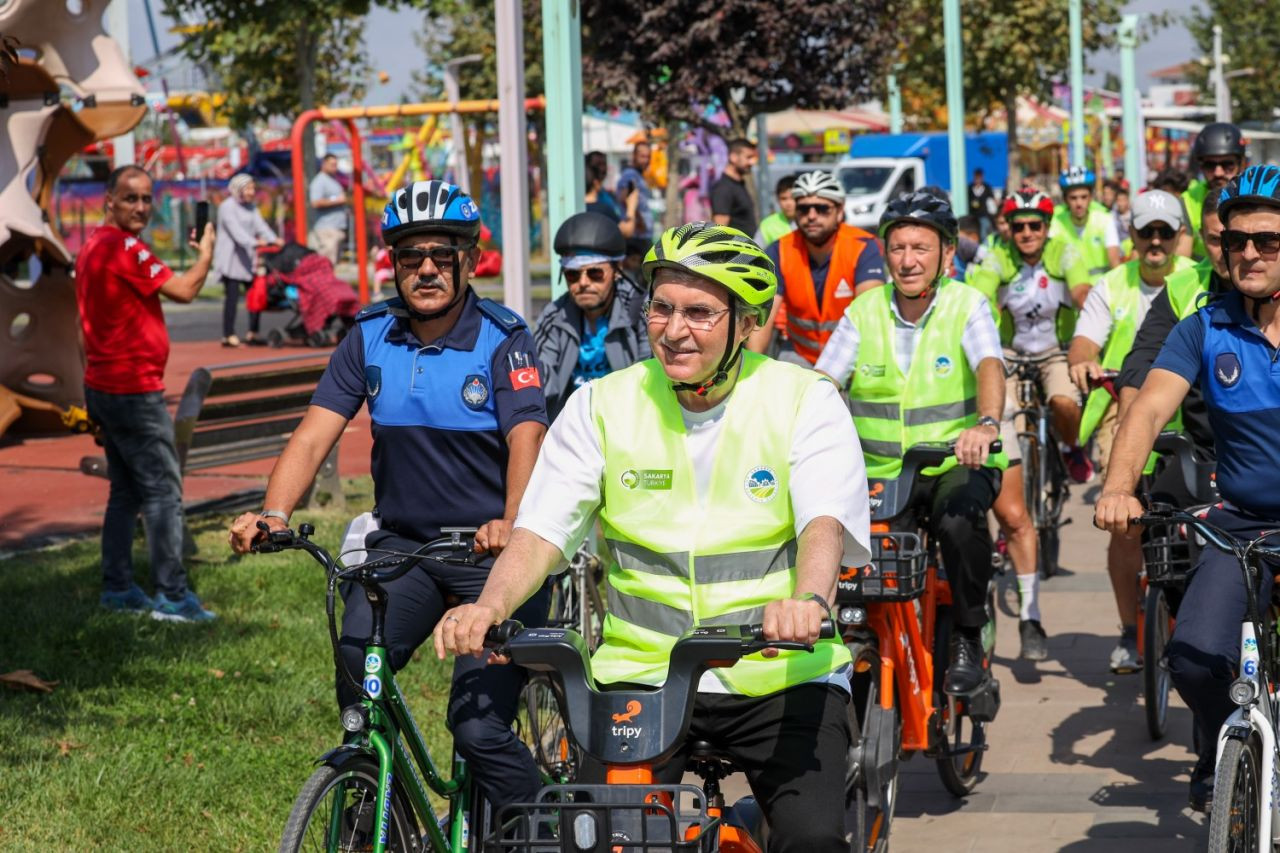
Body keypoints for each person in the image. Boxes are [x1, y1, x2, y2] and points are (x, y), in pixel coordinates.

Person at [434, 221, 870, 852]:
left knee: (811, 842)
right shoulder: (602, 405)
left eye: (699, 312)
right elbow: (540, 531)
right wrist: (490, 605)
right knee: (597, 843)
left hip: (779, 675)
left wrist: (808, 602)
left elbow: (823, 522)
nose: (673, 329)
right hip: (642, 678)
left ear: (747, 322)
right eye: (660, 307)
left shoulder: (803, 400)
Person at [227, 179, 551, 812]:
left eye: (441, 254)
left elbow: (526, 438)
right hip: (404, 548)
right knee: (358, 677)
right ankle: (382, 808)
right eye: (409, 257)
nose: (425, 269)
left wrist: (513, 522)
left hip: (491, 555)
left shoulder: (503, 337)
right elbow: (316, 430)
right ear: (394, 266)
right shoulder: (370, 335)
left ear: (470, 260)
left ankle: (545, 826)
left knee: (479, 730)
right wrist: (273, 514)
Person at [1094, 165, 1280, 812]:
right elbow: (1146, 409)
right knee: (1193, 656)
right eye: (1237, 242)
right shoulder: (1204, 325)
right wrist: (1120, 488)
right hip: (1237, 524)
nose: (1249, 253)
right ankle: (1219, 742)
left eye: (1268, 241)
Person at [816, 190, 1007, 692]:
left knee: (960, 523)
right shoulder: (863, 311)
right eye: (897, 248)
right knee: (849, 552)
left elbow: (990, 363)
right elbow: (825, 380)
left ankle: (968, 633)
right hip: (878, 476)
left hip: (952, 466)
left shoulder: (968, 305)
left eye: (921, 248)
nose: (908, 260)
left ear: (947, 254)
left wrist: (985, 425)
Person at [77, 164, 218, 622]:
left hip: (102, 385)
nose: (140, 207)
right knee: (162, 493)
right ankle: (173, 597)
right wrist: (206, 255)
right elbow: (185, 289)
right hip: (134, 391)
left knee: (126, 492)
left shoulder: (92, 247)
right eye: (130, 198)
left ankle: (117, 588)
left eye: (146, 198)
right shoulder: (124, 247)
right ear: (110, 201)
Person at [964, 188, 1098, 659]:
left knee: (1063, 400)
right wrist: (983, 305)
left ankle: (1071, 447)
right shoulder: (996, 256)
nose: (1026, 234)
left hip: (1053, 353)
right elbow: (977, 295)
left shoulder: (1064, 250)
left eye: (1034, 225)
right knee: (1001, 421)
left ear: (1046, 227)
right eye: (1017, 225)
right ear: (1007, 228)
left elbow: (1081, 287)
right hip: (1009, 355)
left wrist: (1084, 303)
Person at [1067, 189, 1195, 673]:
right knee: (1124, 526)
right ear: (1133, 236)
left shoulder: (1195, 282)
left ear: (1181, 236)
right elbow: (1082, 343)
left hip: (1189, 419)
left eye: (1166, 231)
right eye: (1147, 232)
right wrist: (1082, 363)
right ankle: (1128, 630)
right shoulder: (1111, 285)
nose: (1156, 241)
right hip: (1121, 414)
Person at [1116, 190, 1231, 456]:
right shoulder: (1182, 286)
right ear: (1201, 236)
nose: (1227, 252)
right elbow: (1144, 354)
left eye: (1234, 240)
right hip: (1201, 449)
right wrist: (1130, 416)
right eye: (1215, 240)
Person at [748, 170, 884, 366]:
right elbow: (762, 319)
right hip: (800, 354)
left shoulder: (863, 246)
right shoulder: (780, 250)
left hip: (852, 355)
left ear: (839, 211)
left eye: (822, 208)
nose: (811, 216)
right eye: (803, 209)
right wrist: (753, 370)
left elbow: (870, 315)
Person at [534, 211, 650, 419]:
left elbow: (652, 380)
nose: (583, 283)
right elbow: (539, 383)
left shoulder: (641, 311)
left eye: (595, 273)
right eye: (573, 274)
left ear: (617, 270)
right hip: (570, 428)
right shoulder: (553, 317)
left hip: (628, 423)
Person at [213, 173, 281, 347]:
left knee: (255, 294)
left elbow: (261, 227)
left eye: (253, 188)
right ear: (238, 189)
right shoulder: (227, 207)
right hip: (231, 259)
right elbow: (237, 233)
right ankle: (228, 334)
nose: (252, 192)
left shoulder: (251, 208)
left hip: (248, 258)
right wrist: (256, 242)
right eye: (248, 188)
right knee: (232, 296)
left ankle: (253, 332)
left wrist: (275, 239)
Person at [1183, 121, 1245, 260]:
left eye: (1227, 164)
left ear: (1241, 162)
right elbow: (1183, 257)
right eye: (1210, 165)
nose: (1218, 172)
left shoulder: (1259, 194)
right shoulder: (1188, 200)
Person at [1049, 166, 1122, 277]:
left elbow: (1114, 261)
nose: (1079, 203)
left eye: (1084, 197)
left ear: (1091, 197)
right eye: (1073, 198)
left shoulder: (1104, 219)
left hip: (1100, 288)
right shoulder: (1055, 221)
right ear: (1065, 200)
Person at [710, 137, 759, 236]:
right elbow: (720, 230)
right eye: (748, 157)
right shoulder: (723, 188)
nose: (752, 163)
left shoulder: (738, 184)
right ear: (733, 157)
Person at [584, 151, 638, 239]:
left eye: (604, 164)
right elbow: (626, 231)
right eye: (597, 165)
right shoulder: (598, 206)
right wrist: (632, 206)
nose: (601, 168)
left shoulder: (607, 195)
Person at [308, 153, 348, 265]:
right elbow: (315, 202)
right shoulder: (319, 181)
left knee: (333, 263)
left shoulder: (333, 180)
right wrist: (338, 200)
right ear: (324, 164)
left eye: (336, 164)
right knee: (326, 264)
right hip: (326, 229)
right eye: (332, 164)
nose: (335, 167)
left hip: (336, 227)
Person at [616, 141, 653, 243]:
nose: (646, 160)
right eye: (642, 156)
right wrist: (639, 220)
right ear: (634, 156)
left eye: (648, 157)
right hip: (636, 236)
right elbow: (624, 197)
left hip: (642, 234)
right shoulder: (630, 174)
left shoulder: (638, 175)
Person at [756, 173, 798, 246]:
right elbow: (756, 252)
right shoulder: (767, 225)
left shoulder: (809, 222)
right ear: (777, 199)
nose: (788, 203)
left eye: (793, 198)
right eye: (784, 198)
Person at [968, 167, 996, 238]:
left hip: (983, 214)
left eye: (979, 177)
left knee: (984, 232)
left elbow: (993, 199)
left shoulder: (986, 187)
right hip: (972, 215)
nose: (977, 179)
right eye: (976, 177)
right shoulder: (969, 188)